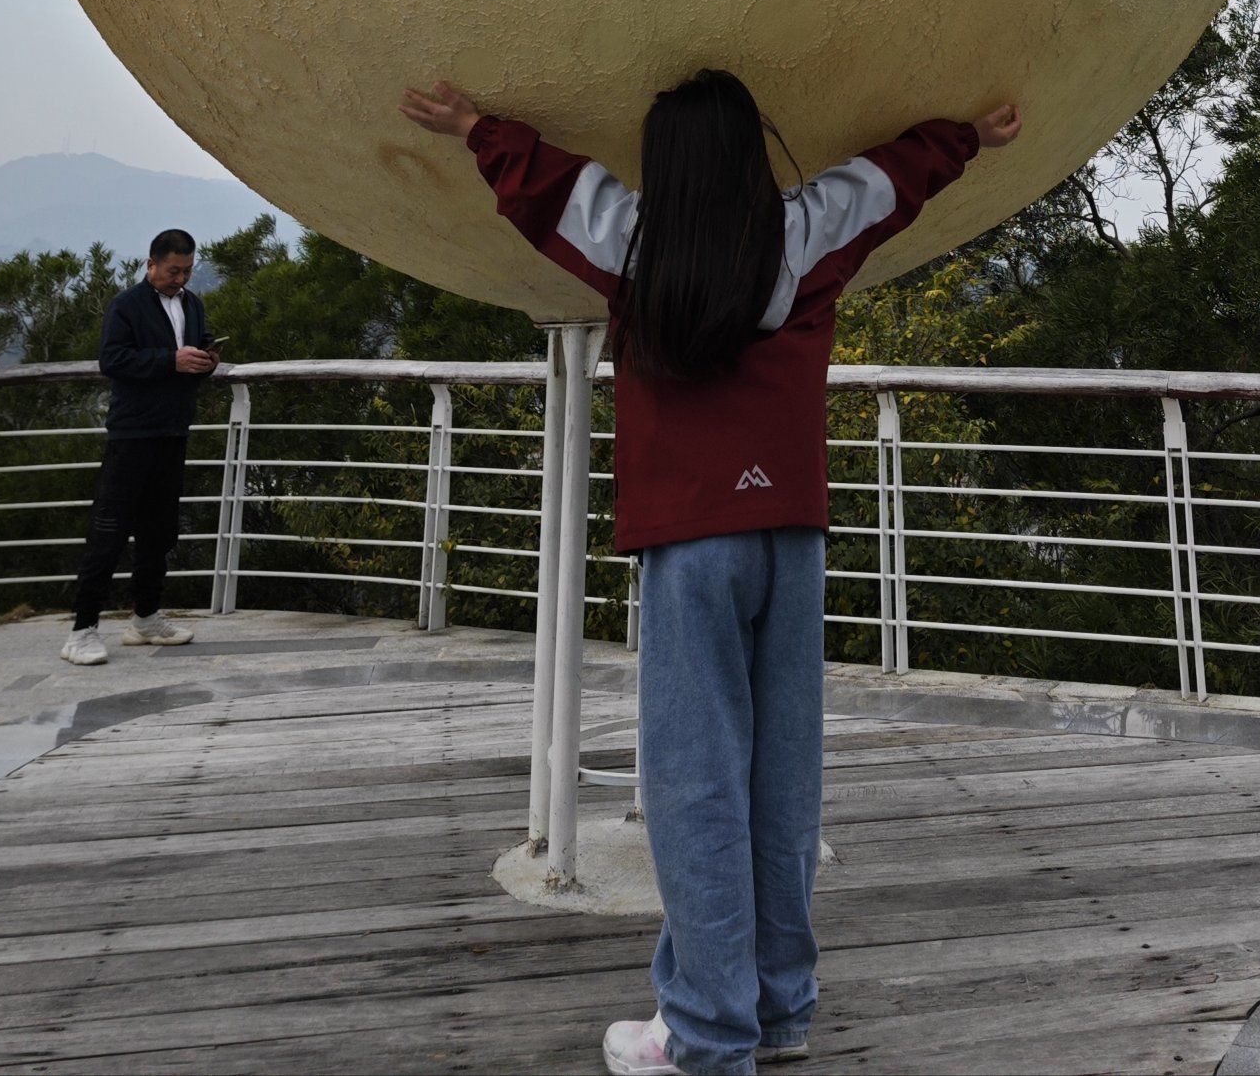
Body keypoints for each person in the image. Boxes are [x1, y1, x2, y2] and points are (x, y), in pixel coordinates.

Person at [400, 66, 1022, 1076]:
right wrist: (968, 132)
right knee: (785, 781)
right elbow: (888, 179)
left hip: (690, 539)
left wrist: (473, 124)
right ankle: (778, 1012)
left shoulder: (636, 242)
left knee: (694, 785)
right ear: (747, 150)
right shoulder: (805, 231)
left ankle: (702, 1032)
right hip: (790, 530)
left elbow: (547, 191)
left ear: (667, 164)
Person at [61, 228, 219, 665]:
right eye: (173, 271)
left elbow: (190, 359)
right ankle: (83, 629)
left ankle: (146, 617)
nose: (180, 279)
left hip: (173, 431)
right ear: (151, 264)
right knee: (109, 529)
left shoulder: (193, 304)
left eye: (186, 271)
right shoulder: (125, 305)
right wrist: (170, 360)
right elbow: (112, 360)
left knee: (159, 529)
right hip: (132, 434)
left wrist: (205, 361)